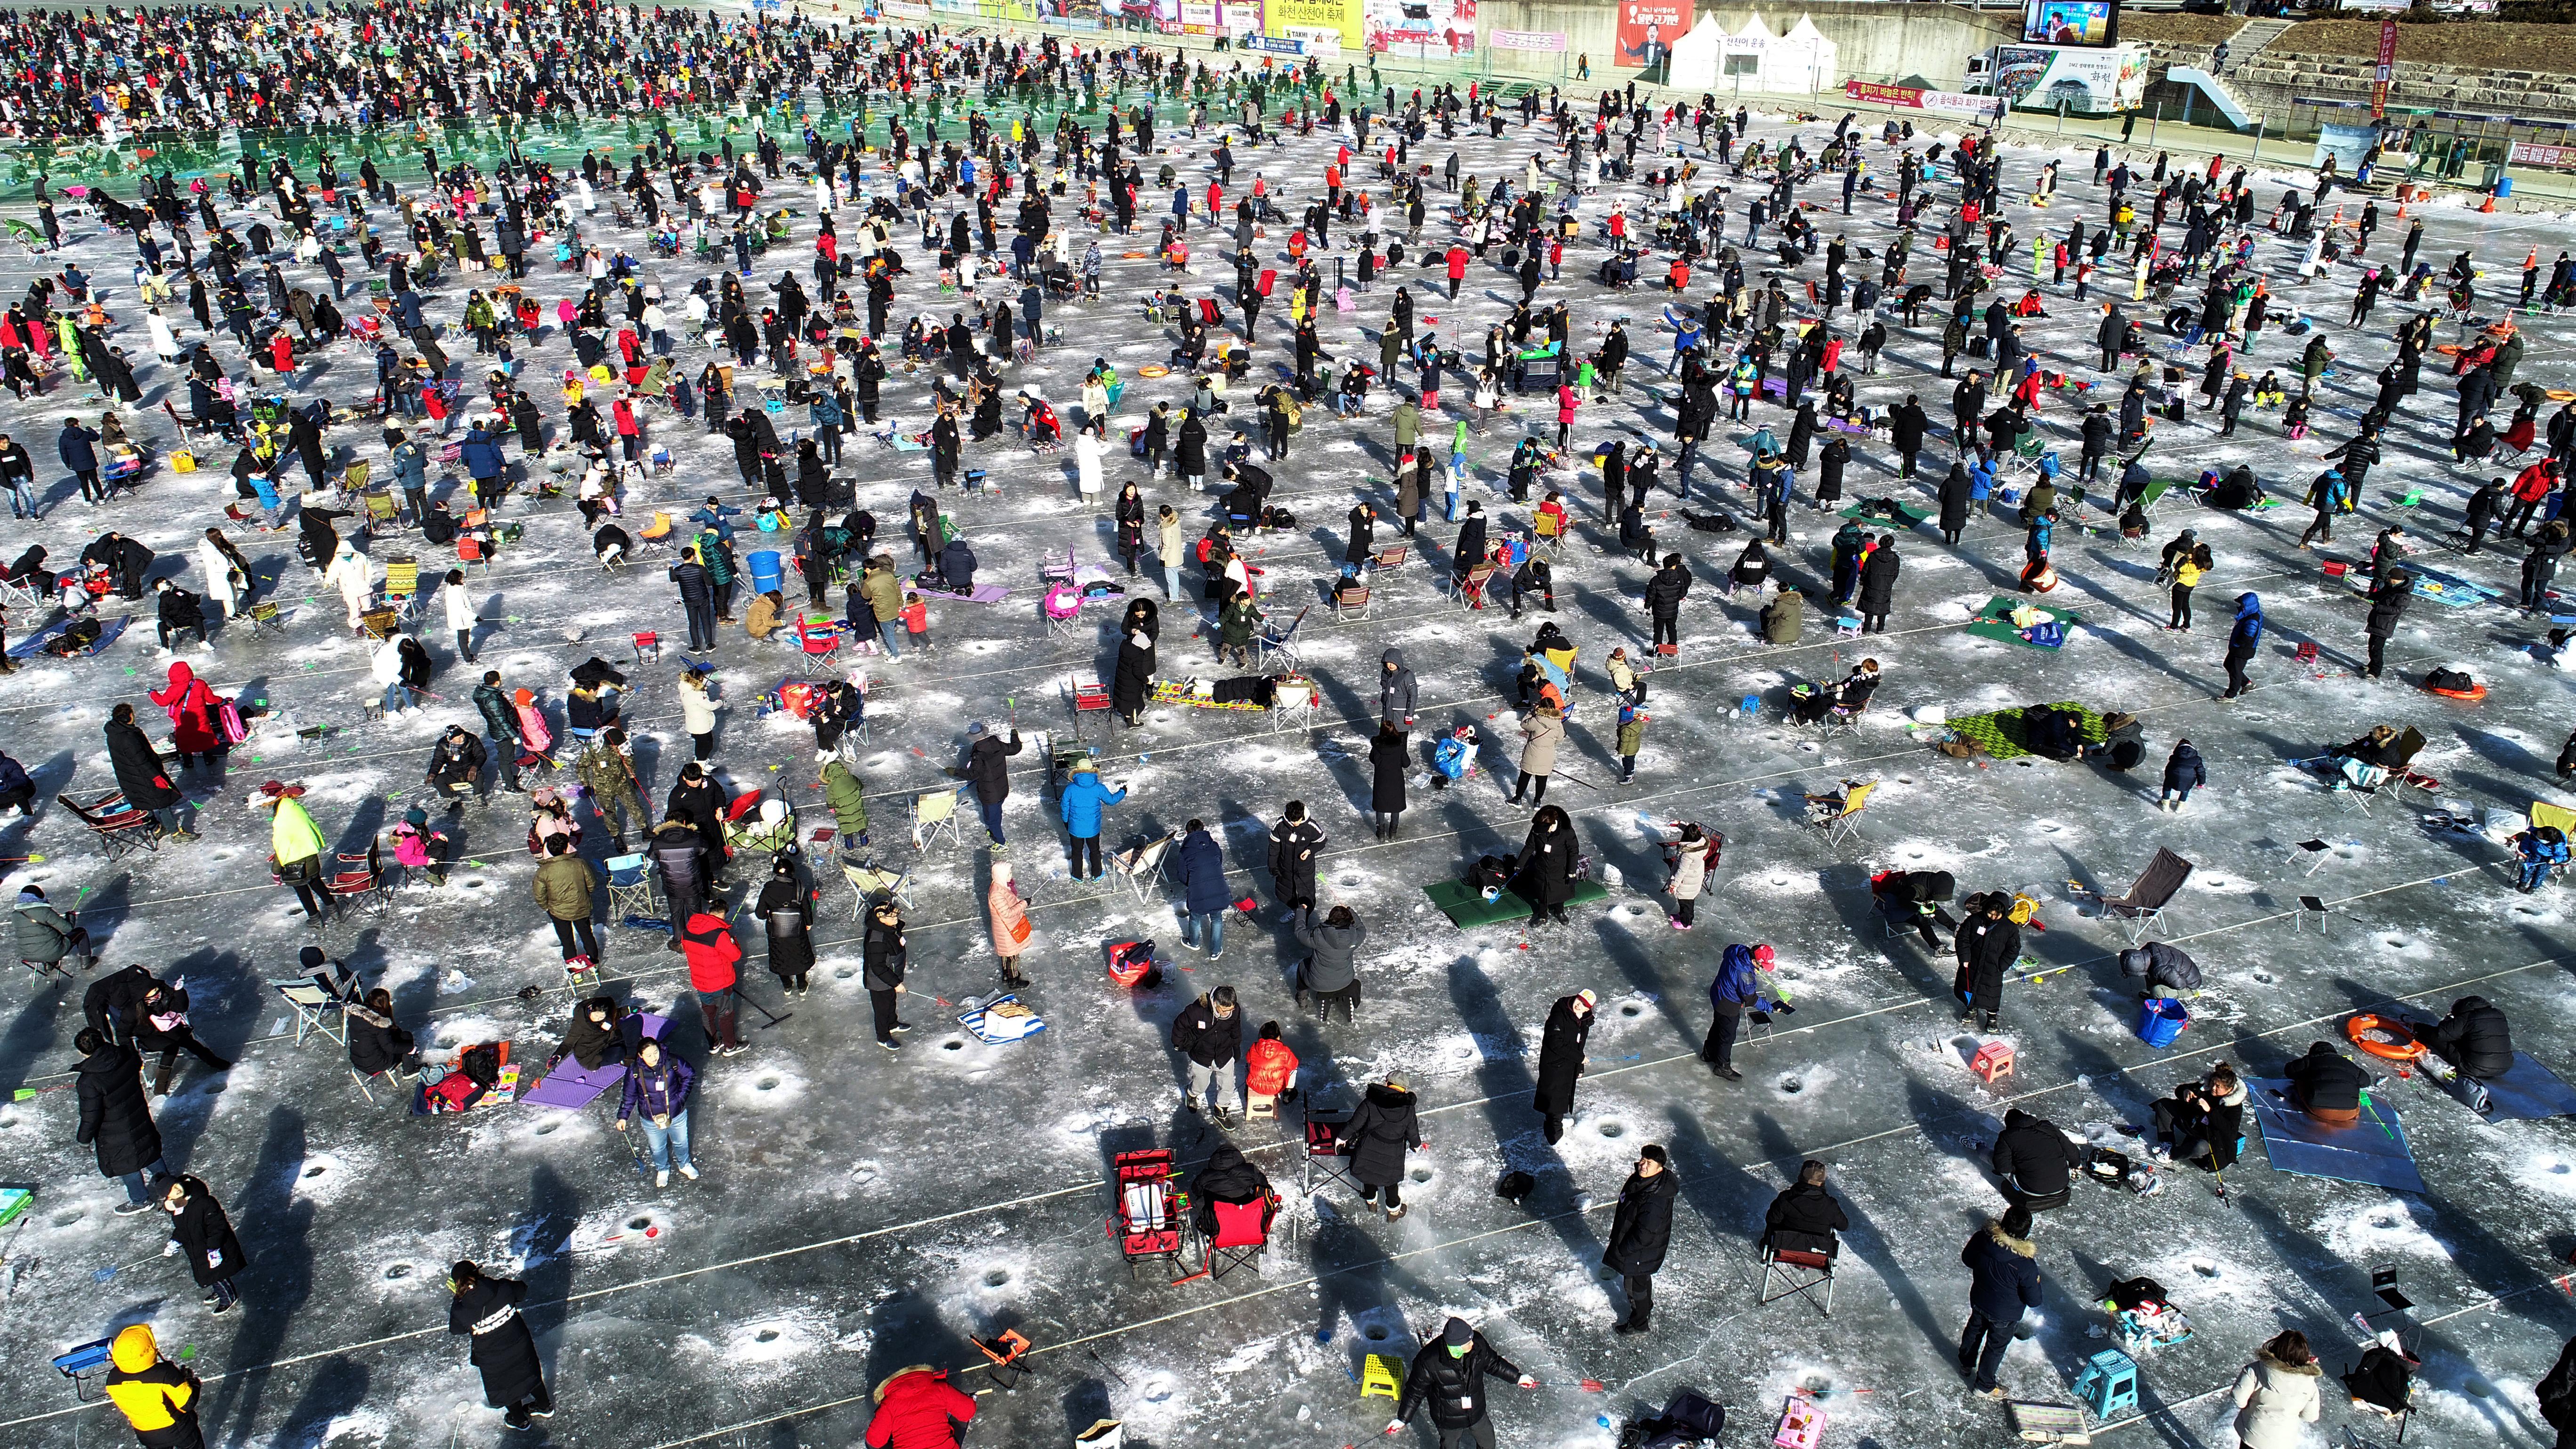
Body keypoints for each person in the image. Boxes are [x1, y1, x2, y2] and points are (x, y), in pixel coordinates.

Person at [1387, 1316, 1538, 1445]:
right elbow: (1415, 1393)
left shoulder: (1477, 1344)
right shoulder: (1428, 1361)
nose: (1473, 1344)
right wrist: (1403, 1419)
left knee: (1488, 1442)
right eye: (1468, 1343)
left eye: (1471, 1339)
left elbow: (1494, 1363)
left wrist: (1518, 1378)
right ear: (1455, 1346)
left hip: (1476, 1411)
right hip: (1448, 1419)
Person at [447, 1260, 553, 1428]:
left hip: (493, 1359)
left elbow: (456, 1329)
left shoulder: (461, 1310)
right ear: (477, 1274)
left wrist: (457, 1299)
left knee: (507, 1389)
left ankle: (520, 1420)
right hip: (520, 1346)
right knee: (531, 1375)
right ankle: (545, 1406)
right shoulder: (502, 1288)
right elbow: (522, 1291)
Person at [75, 1026, 169, 1214]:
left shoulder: (88, 1082)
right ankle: (167, 1184)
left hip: (114, 1131)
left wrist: (84, 1139)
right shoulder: (125, 1055)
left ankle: (140, 1200)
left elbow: (91, 1115)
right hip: (138, 1115)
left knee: (127, 1163)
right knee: (148, 1150)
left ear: (83, 1052)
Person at [1957, 1205, 2042, 1400]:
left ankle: (1965, 1364)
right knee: (1995, 1348)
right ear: (2026, 1233)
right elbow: (2034, 1300)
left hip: (1979, 1299)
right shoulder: (2025, 1265)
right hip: (2005, 1315)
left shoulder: (1982, 1239)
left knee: (1974, 1329)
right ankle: (1984, 1386)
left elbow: (1967, 1259)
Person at [1602, 1144, 1678, 1336]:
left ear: (1659, 1169)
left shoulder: (1655, 1199)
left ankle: (1639, 1323)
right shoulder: (1645, 1181)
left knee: (1634, 1287)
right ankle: (1646, 1306)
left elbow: (1645, 1234)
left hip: (1640, 1252)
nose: (1643, 1165)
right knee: (1641, 1281)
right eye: (1643, 1160)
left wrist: (1624, 1250)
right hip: (1641, 1251)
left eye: (1649, 1163)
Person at [617, 1033, 699, 1187]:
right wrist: (623, 1117)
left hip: (677, 1114)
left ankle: (685, 1165)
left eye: (656, 1052)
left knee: (681, 1142)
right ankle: (662, 1169)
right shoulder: (635, 1071)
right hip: (650, 1118)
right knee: (657, 1147)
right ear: (641, 1056)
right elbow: (629, 1095)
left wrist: (680, 1098)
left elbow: (689, 1075)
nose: (654, 1057)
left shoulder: (672, 1061)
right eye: (648, 1055)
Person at [156, 1172, 246, 1312]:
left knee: (217, 1274)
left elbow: (218, 1227)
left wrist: (214, 1249)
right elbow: (182, 1229)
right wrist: (175, 1242)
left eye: (176, 1185)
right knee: (208, 1273)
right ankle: (219, 1291)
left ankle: (228, 1298)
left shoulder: (205, 1202)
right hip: (198, 1247)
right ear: (168, 1197)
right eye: (171, 1190)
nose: (177, 1189)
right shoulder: (178, 1207)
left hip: (214, 1244)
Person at [105, 1325, 204, 1449]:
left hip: (147, 1435)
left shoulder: (112, 1378)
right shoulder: (165, 1373)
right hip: (178, 1430)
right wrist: (192, 1383)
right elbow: (187, 1404)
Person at [132, 975, 230, 1096]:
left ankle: (215, 1062)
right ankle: (160, 1086)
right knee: (171, 1049)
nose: (156, 995)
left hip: (173, 1030)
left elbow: (181, 1007)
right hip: (152, 1037)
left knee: (190, 1042)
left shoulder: (164, 997)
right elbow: (126, 1030)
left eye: (156, 991)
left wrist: (179, 992)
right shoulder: (134, 1009)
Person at [2230, 1330, 2324, 1449]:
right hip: (2282, 1442)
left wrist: (2249, 1406)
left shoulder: (2255, 1370)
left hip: (2252, 1436)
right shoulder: (2309, 1384)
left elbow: (2239, 1398)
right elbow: (2310, 1416)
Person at [676, 907, 747, 1058]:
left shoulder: (688, 931)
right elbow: (735, 955)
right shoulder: (720, 934)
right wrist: (733, 940)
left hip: (701, 982)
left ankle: (713, 1044)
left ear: (708, 912)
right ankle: (730, 1046)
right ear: (723, 915)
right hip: (721, 983)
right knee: (725, 1015)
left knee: (708, 1013)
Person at [2147, 1062, 2246, 1170]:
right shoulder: (2206, 1087)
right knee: (2163, 1105)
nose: (2213, 1087)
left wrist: (2210, 1111)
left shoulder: (2234, 1107)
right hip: (2193, 1123)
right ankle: (2167, 1143)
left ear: (2229, 1089)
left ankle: (2172, 1154)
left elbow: (2230, 1131)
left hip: (2209, 1137)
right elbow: (2181, 1090)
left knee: (2199, 1148)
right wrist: (2185, 1091)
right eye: (2213, 1082)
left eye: (2218, 1087)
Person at [1171, 984, 1244, 1121]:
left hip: (1225, 1054)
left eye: (1230, 1009)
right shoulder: (1197, 1011)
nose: (1227, 1013)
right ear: (1215, 1002)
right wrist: (1178, 1043)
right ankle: (1192, 1093)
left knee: (1228, 1085)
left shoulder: (1235, 1011)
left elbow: (1236, 1029)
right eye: (1223, 1010)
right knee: (1201, 1084)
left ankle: (1222, 1108)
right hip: (1202, 1056)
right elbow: (1180, 1025)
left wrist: (1237, 1047)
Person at [1531, 989, 1596, 1144]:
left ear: (1588, 1009)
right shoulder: (1559, 1016)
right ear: (1575, 998)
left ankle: (1557, 1124)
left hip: (1569, 1064)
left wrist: (1579, 1067)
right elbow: (1555, 1043)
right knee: (1554, 1100)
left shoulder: (1584, 1021)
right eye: (1579, 1002)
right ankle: (1554, 1138)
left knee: (1561, 1098)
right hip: (1555, 1066)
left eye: (1584, 1005)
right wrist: (1579, 1059)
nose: (1579, 1006)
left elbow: (1579, 1045)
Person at [863, 1364, 978, 1449]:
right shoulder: (939, 1389)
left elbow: (873, 1442)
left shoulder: (890, 1403)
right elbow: (968, 1411)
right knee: (962, 1412)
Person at [532, 835, 599, 973]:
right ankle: (593, 964)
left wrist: (547, 908)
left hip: (558, 912)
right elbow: (591, 885)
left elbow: (539, 895)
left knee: (567, 941)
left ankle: (575, 972)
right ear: (565, 849)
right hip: (581, 907)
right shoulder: (579, 864)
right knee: (587, 935)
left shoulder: (543, 871)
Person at [1991, 1108, 2078, 1208]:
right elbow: (2073, 1154)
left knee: (1995, 1158)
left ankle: (1978, 1147)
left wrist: (2017, 1168)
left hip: (2033, 1189)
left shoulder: (2007, 1136)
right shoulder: (2048, 1127)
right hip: (2062, 1183)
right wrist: (2074, 1164)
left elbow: (2003, 1168)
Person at [1955, 894, 2018, 1032]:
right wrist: (1965, 957)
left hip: (1993, 969)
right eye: (1991, 913)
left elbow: (2013, 949)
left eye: (1997, 915)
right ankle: (1972, 1009)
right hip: (1972, 963)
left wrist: (2002, 965)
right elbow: (1962, 938)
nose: (1993, 918)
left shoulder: (2010, 928)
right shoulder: (1974, 921)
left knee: (1991, 994)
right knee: (1970, 988)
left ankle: (1992, 1017)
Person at [2412, 995, 2512, 1083]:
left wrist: (2417, 1027)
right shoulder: (2499, 1015)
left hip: (2472, 1066)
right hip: (2504, 1067)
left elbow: (2440, 1035)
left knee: (2439, 1039)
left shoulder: (2467, 1017)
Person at [756, 854, 817, 997]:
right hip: (797, 930)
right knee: (800, 956)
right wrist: (809, 923)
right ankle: (802, 985)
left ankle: (787, 986)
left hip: (776, 931)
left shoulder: (768, 889)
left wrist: (769, 915)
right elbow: (806, 909)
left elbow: (760, 914)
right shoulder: (799, 886)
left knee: (780, 958)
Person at [1294, 904, 1365, 1023]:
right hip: (1345, 980)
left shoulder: (1318, 935)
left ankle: (1303, 1001)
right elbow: (1362, 928)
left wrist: (1301, 910)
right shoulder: (1356, 937)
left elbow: (1299, 931)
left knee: (1303, 965)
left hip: (1318, 983)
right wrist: (1350, 910)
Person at [1189, 1141, 1273, 1239]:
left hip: (1217, 1228)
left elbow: (1195, 1190)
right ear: (1239, 1158)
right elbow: (1266, 1187)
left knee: (1203, 1199)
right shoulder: (1251, 1171)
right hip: (1254, 1225)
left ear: (1214, 1161)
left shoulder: (1205, 1177)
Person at [1764, 1160, 1851, 1256]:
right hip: (1817, 1254)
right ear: (1822, 1182)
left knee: (1773, 1226)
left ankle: (1768, 1250)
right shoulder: (1831, 1205)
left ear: (1801, 1177)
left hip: (1784, 1249)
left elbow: (1771, 1220)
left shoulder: (1786, 1198)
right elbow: (1843, 1226)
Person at [1058, 758, 1126, 881]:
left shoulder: (1070, 788)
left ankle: (1077, 875)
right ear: (1092, 770)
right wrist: (1123, 792)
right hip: (1093, 828)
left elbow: (1064, 807)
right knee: (1095, 851)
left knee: (1077, 852)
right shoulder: (1099, 788)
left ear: (1077, 770)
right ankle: (1097, 874)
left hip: (1075, 828)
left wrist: (1066, 822)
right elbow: (1111, 801)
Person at [1172, 818, 1230, 959]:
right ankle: (1216, 951)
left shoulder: (1185, 852)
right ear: (1204, 830)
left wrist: (1193, 884)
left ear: (1187, 833)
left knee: (1195, 917)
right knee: (1217, 918)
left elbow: (1182, 875)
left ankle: (1194, 942)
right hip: (1219, 888)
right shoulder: (1214, 846)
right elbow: (1219, 862)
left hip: (1198, 891)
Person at [1703, 942, 1762, 1081]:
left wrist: (1753, 969)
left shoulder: (1738, 950)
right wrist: (1771, 1008)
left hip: (1718, 994)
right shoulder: (1745, 975)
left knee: (1718, 1024)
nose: (1762, 968)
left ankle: (1708, 1054)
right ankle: (1722, 1067)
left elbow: (1727, 952)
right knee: (1727, 1037)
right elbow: (1751, 999)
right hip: (1728, 1005)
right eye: (1761, 965)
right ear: (1754, 960)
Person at [1512, 804, 1578, 923]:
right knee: (1542, 893)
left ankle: (1560, 911)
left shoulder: (1566, 831)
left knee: (1560, 891)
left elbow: (1573, 851)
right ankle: (1543, 915)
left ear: (1553, 824)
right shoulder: (1537, 829)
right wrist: (1519, 865)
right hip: (1542, 867)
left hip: (1560, 868)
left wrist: (1572, 872)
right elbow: (1529, 847)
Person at [2283, 1040, 2372, 1127]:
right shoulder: (2349, 1064)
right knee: (2354, 1088)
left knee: (2300, 1080)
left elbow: (2289, 1071)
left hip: (2319, 1109)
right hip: (2349, 1113)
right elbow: (2366, 1082)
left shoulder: (2311, 1060)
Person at [960, 721, 1022, 844]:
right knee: (997, 812)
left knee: (991, 819)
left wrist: (954, 772)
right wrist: (1014, 736)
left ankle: (1001, 843)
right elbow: (1015, 748)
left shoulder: (978, 755)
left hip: (990, 794)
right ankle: (995, 830)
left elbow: (972, 774)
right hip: (1002, 789)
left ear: (973, 738)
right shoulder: (997, 745)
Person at [862, 898, 910, 1051]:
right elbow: (878, 968)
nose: (896, 919)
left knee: (891, 1002)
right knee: (882, 1010)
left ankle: (893, 1024)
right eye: (893, 917)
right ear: (882, 919)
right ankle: (883, 1037)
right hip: (879, 982)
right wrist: (896, 984)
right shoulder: (877, 940)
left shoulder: (891, 928)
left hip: (890, 978)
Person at [14, 883, 94, 974]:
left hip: (27, 955)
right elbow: (68, 929)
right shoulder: (44, 911)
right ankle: (86, 962)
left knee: (42, 936)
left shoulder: (16, 914)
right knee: (81, 932)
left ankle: (49, 966)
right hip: (51, 952)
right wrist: (71, 917)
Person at [1268, 801, 1325, 919]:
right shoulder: (1280, 825)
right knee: (1288, 892)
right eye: (1293, 821)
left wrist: (1309, 851)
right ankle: (1294, 910)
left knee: (1306, 894)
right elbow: (1274, 847)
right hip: (1286, 867)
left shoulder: (1311, 826)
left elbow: (1322, 841)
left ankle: (1304, 919)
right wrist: (1273, 866)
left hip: (1305, 869)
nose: (1296, 823)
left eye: (1298, 820)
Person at [984, 861, 1031, 988]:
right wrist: (1023, 904)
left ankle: (1007, 974)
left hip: (1005, 927)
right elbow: (1007, 913)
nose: (1011, 875)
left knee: (1006, 953)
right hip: (1007, 929)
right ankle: (1014, 980)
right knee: (1013, 955)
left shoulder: (999, 886)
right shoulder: (997, 893)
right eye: (1008, 873)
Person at [1244, 1021, 1300, 1117]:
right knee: (1293, 1068)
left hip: (1255, 1085)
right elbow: (1295, 1064)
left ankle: (1247, 1089)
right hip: (1277, 1087)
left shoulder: (1254, 1048)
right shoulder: (1285, 1051)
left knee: (1248, 1065)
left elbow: (1248, 1059)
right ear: (1278, 1036)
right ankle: (1288, 1093)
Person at [2119, 943, 2202, 999]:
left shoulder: (2162, 968)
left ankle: (2160, 1003)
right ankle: (2155, 993)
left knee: (2157, 990)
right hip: (2181, 973)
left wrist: (2162, 984)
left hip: (2189, 986)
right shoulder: (2149, 949)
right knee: (2151, 975)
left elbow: (2180, 985)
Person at [2161, 738, 2206, 812]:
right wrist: (2201, 782)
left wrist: (2168, 777)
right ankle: (2179, 808)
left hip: (2174, 775)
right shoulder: (2197, 759)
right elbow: (2201, 771)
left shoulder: (2174, 757)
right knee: (2186, 790)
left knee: (2167, 787)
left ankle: (2165, 806)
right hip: (2189, 778)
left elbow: (2168, 768)